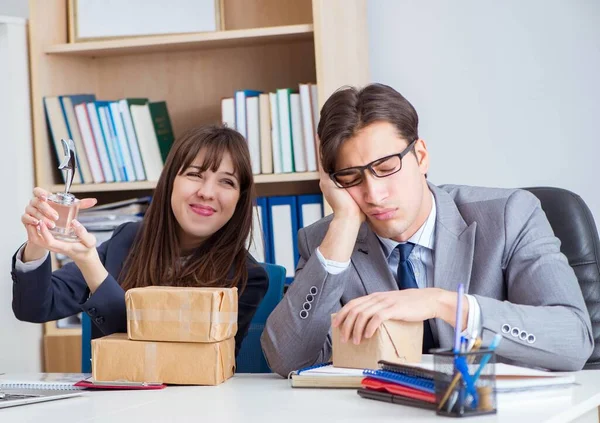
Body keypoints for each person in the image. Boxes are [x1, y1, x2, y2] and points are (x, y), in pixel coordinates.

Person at [261, 83, 593, 375]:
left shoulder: (510, 215)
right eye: (351, 178)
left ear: (420, 156)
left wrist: (445, 304)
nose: (374, 194)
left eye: (386, 168)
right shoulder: (328, 243)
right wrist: (345, 222)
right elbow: (289, 360)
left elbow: (573, 338)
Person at [12, 125, 269, 356]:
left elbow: (168, 357)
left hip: (195, 406)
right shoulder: (128, 240)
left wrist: (92, 267)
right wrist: (38, 242)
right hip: (112, 403)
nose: (207, 192)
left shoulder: (247, 278)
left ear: (239, 198)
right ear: (170, 181)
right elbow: (34, 309)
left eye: (226, 181)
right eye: (194, 175)